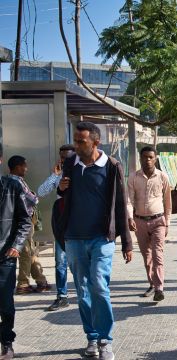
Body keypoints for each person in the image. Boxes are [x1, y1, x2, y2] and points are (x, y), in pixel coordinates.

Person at [57, 121, 133, 360]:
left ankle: (105, 339)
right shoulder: (70, 164)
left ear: (96, 142)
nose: (76, 145)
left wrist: (127, 243)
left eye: (82, 142)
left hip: (102, 238)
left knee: (99, 286)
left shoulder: (111, 166)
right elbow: (61, 196)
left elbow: (120, 203)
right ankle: (91, 337)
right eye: (76, 140)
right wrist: (60, 187)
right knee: (82, 290)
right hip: (74, 238)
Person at [0, 144, 33, 360]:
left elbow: (24, 218)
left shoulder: (11, 185)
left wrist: (16, 245)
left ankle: (6, 342)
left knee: (5, 302)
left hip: (5, 255)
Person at [127, 146, 172, 302]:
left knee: (157, 254)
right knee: (147, 256)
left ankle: (159, 288)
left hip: (158, 221)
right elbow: (129, 200)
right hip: (139, 221)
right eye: (144, 157)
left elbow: (168, 202)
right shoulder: (133, 177)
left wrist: (167, 223)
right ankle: (152, 284)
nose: (147, 160)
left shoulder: (162, 177)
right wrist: (130, 217)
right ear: (140, 158)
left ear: (155, 158)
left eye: (150, 157)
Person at [37, 144, 75, 311]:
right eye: (62, 157)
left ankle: (87, 292)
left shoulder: (82, 172)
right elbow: (41, 191)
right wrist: (55, 175)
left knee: (80, 262)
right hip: (61, 221)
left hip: (79, 222)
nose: (64, 160)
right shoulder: (58, 175)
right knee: (60, 261)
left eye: (67, 157)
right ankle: (62, 296)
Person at [7, 156, 49, 295]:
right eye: (24, 165)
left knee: (31, 250)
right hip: (24, 222)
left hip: (16, 222)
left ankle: (40, 280)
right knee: (26, 252)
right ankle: (23, 284)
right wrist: (34, 196)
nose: (26, 168)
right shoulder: (18, 183)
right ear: (18, 167)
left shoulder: (7, 181)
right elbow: (32, 199)